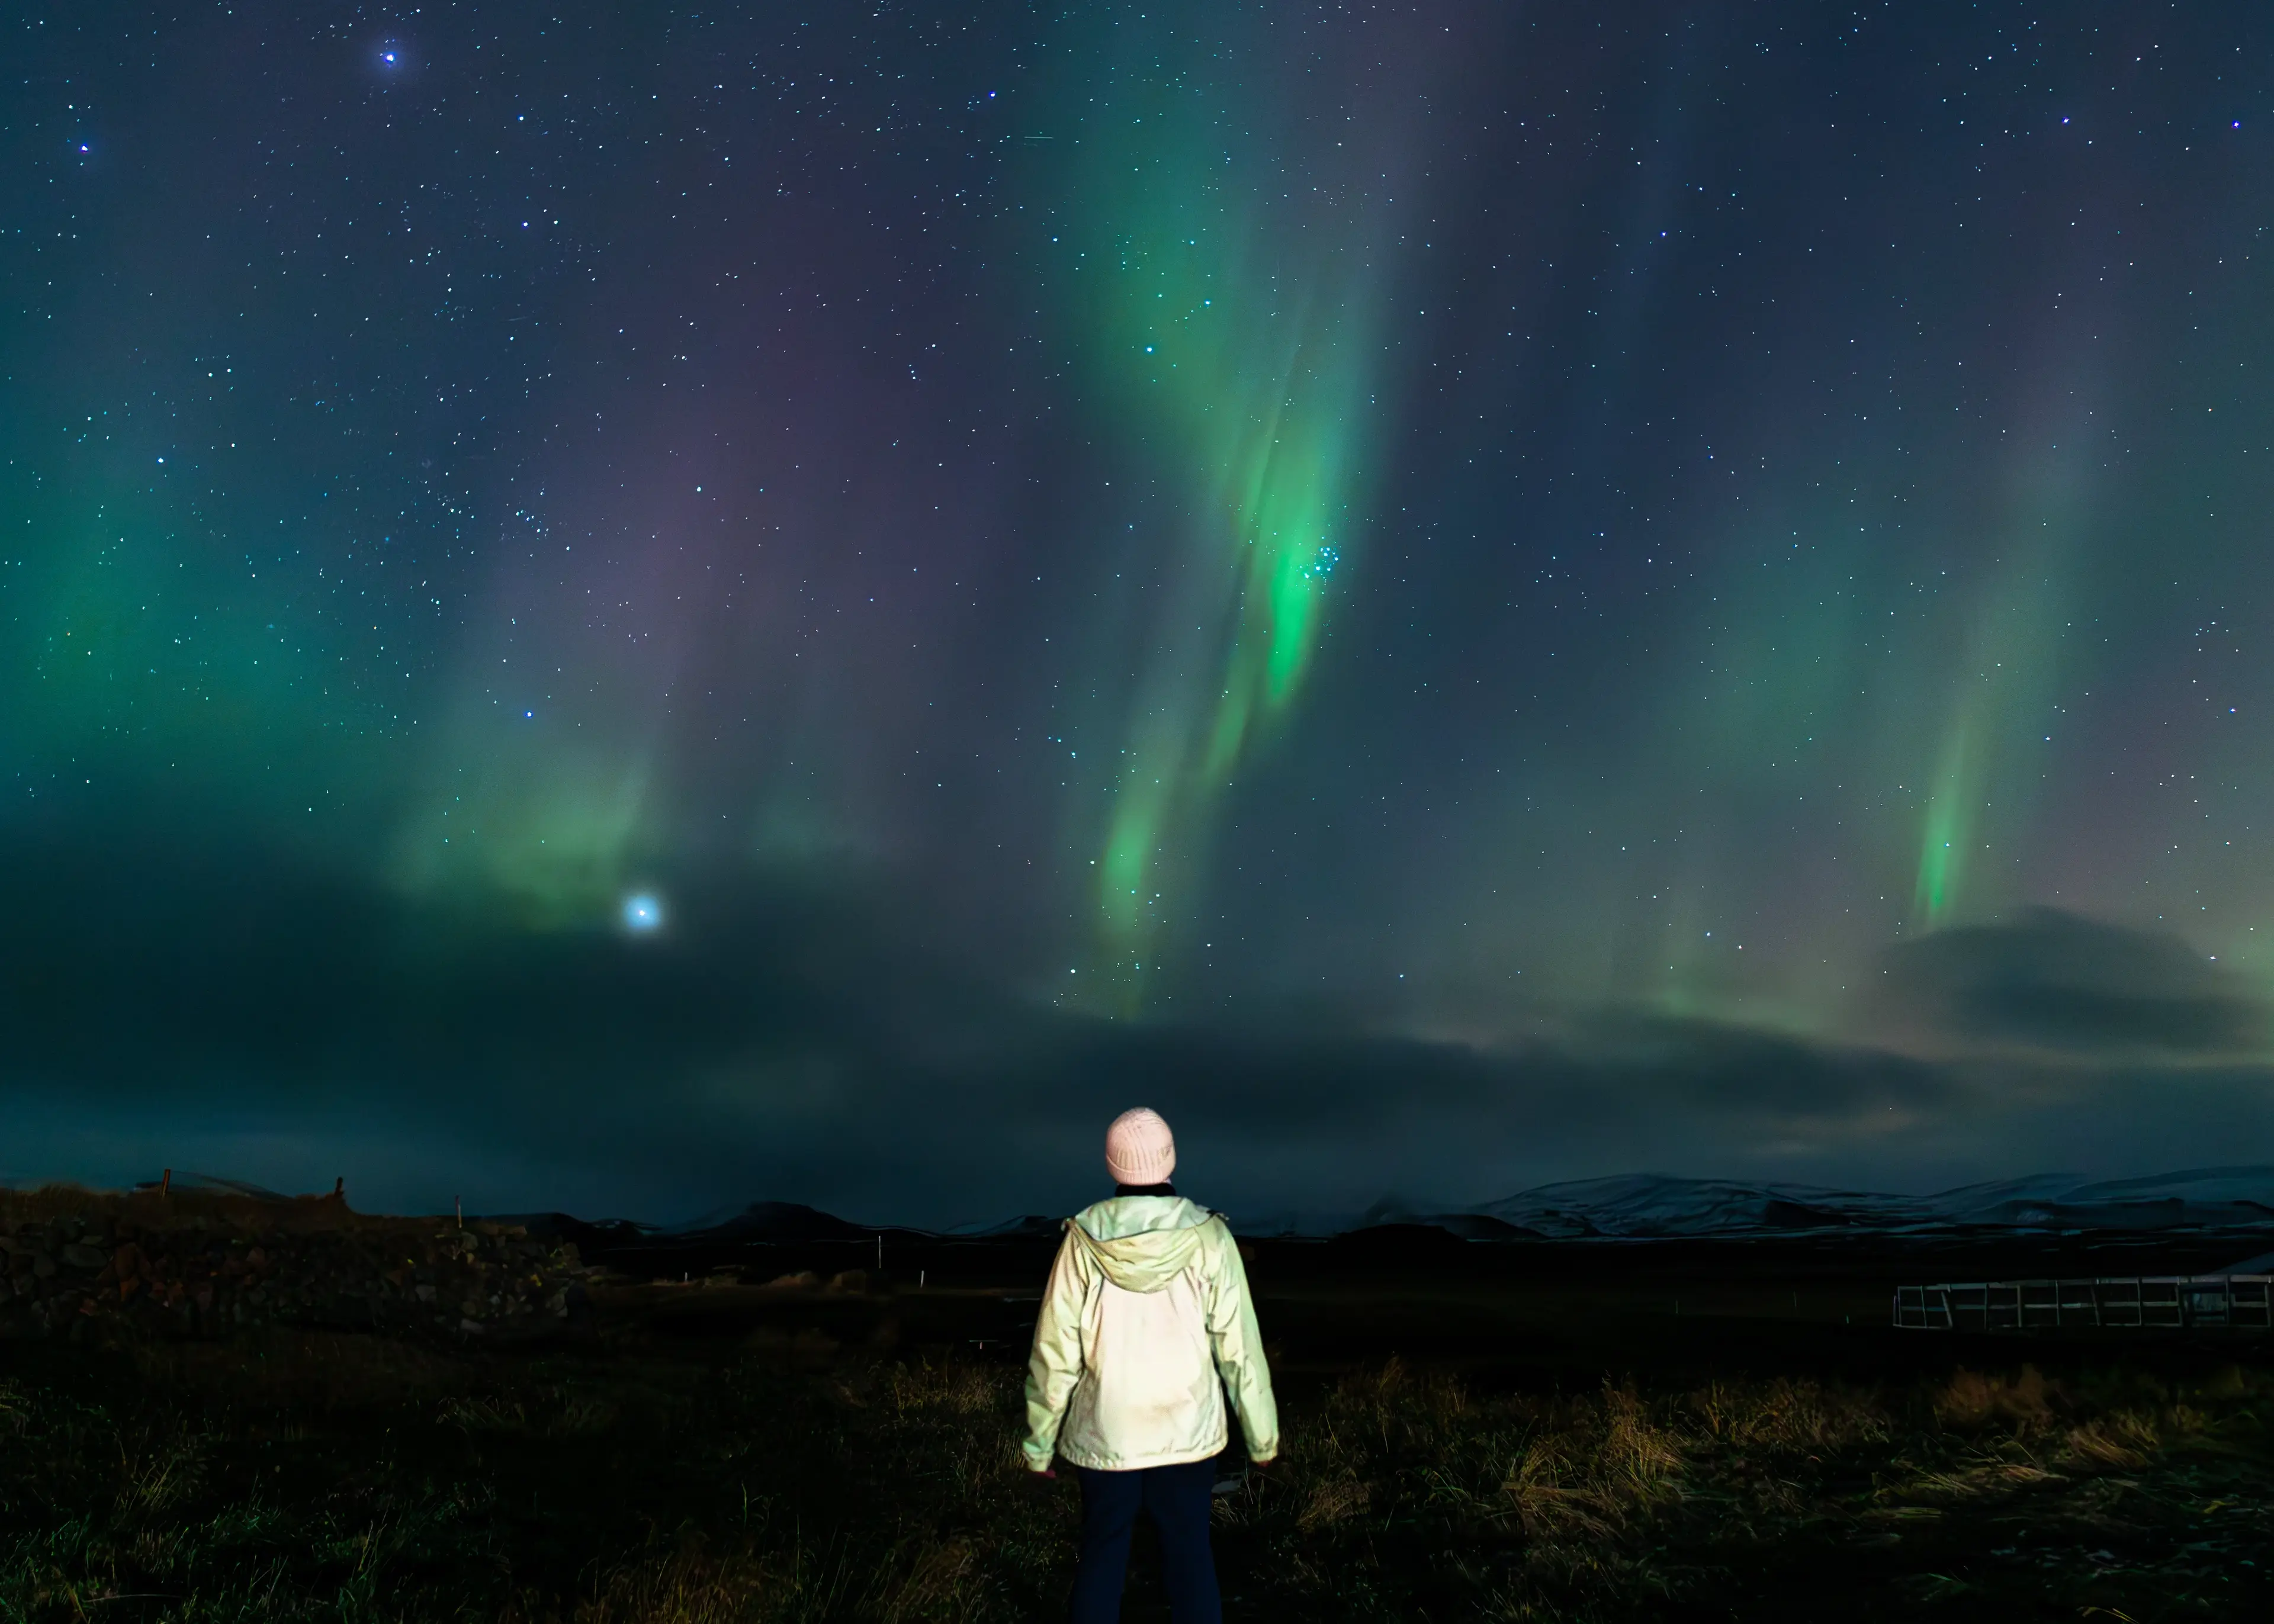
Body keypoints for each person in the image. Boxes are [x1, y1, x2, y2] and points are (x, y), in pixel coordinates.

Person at [1021, 1107, 1279, 1624]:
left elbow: (1055, 1352)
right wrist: (1262, 1437)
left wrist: (1039, 1442)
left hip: (1106, 1432)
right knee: (1189, 1557)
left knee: (1102, 1555)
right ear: (1169, 1159)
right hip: (1186, 1431)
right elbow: (1240, 1349)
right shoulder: (1210, 1236)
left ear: (1112, 1163)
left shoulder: (1082, 1240)